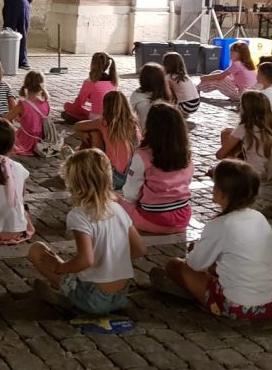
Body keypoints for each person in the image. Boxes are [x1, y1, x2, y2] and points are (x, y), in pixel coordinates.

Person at [28, 149, 146, 315]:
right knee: (77, 268)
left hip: (92, 297)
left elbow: (86, 260)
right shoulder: (118, 209)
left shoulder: (79, 215)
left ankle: (68, 298)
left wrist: (59, 267)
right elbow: (140, 249)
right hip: (120, 295)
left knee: (36, 250)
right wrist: (111, 261)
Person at [164, 160, 272, 321]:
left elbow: (195, 265)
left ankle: (203, 299)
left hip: (238, 304)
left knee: (174, 265)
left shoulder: (220, 224)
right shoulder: (259, 218)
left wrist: (196, 252)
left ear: (222, 192)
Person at [118, 103, 194, 234]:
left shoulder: (142, 156)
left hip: (152, 220)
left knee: (113, 201)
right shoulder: (185, 156)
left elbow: (131, 194)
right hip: (182, 219)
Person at [215, 91, 272, 184]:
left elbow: (219, 155)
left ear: (245, 109)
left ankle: (230, 170)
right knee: (227, 132)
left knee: (217, 169)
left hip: (254, 174)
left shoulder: (244, 128)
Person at [73, 91, 140, 190]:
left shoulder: (104, 122)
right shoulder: (133, 123)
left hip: (113, 177)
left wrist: (84, 134)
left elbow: (77, 126)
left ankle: (88, 167)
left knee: (94, 133)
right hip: (132, 177)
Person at [62, 52, 117, 122]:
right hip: (112, 116)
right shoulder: (113, 80)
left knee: (67, 106)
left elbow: (79, 103)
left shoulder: (90, 81)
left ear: (92, 64)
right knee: (88, 107)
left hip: (96, 117)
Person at [8, 70, 51, 157]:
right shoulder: (46, 103)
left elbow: (6, 119)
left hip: (26, 140)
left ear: (26, 85)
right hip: (42, 139)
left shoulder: (22, 104)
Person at [129, 62, 171, 130]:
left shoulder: (136, 95)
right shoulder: (165, 95)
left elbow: (130, 116)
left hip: (143, 132)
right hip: (163, 132)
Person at [163, 52, 200, 117]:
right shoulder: (185, 76)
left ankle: (176, 113)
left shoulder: (169, 77)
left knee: (164, 92)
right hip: (196, 103)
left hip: (186, 106)